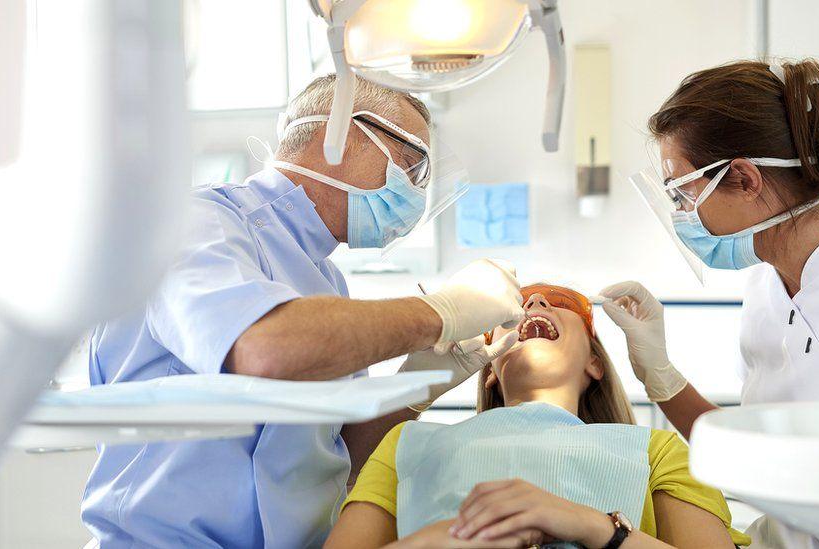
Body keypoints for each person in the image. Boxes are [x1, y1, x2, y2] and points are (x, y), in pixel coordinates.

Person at [81, 75, 526, 548]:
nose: (417, 190)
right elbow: (265, 349)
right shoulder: (196, 224)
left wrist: (425, 375)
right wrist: (440, 312)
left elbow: (343, 455)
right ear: (340, 136)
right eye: (412, 164)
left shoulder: (328, 283)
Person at [601, 59, 819, 549]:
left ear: (746, 179)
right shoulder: (767, 293)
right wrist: (660, 376)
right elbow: (755, 451)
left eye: (682, 194)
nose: (681, 215)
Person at [325, 284, 750, 549]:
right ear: (489, 370)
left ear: (594, 365)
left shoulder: (657, 452)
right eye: (518, 305)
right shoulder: (408, 445)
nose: (536, 301)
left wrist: (593, 527)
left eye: (561, 301)